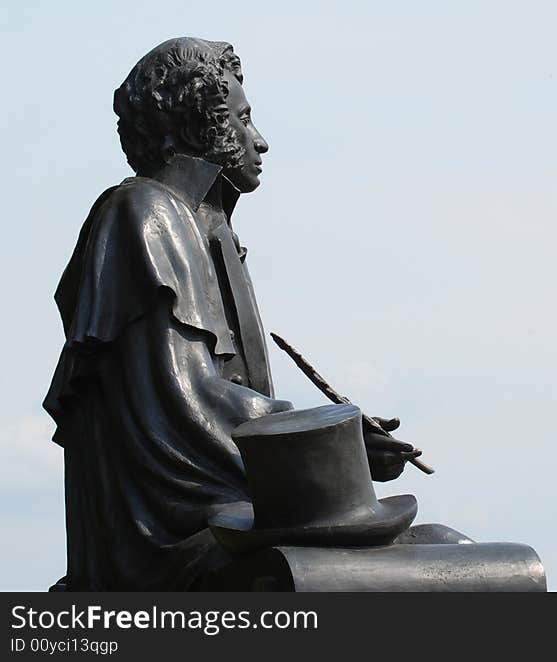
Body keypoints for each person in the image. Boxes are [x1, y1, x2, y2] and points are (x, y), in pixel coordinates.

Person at [43, 37, 416, 590]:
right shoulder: (143, 215)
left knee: (450, 553)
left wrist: (342, 451)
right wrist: (326, 450)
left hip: (229, 513)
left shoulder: (206, 228)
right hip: (177, 532)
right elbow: (184, 399)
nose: (259, 141)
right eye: (243, 119)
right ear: (202, 126)